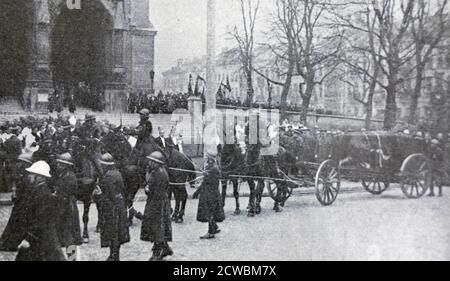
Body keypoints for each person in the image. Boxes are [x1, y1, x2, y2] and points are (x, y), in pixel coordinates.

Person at [16, 161, 66, 261]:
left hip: (42, 237)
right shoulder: (39, 190)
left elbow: (40, 219)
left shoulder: (42, 193)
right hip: (42, 238)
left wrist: (27, 239)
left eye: (32, 174)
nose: (29, 176)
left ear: (40, 177)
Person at [97, 153, 130, 261]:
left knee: (113, 232)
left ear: (106, 165)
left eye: (102, 164)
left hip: (112, 208)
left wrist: (98, 195)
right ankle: (114, 254)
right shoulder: (117, 173)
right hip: (119, 206)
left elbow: (109, 195)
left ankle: (114, 255)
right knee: (117, 232)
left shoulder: (108, 176)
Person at [140, 151, 173, 261]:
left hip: (157, 203)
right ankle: (166, 248)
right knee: (160, 225)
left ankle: (157, 253)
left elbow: (154, 190)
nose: (149, 163)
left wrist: (148, 189)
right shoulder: (158, 171)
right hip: (158, 202)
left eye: (152, 161)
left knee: (157, 226)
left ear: (156, 163)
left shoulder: (159, 174)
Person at [0, 153, 33, 251]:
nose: (19, 165)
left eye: (21, 163)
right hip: (20, 205)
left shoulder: (27, 177)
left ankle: (9, 244)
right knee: (14, 224)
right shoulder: (22, 176)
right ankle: (6, 243)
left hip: (23, 205)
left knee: (17, 225)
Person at [54, 153, 82, 260]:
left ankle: (72, 258)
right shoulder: (64, 175)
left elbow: (66, 193)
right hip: (64, 207)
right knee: (65, 235)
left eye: (61, 164)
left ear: (66, 165)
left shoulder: (69, 177)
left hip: (67, 208)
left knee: (69, 236)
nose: (58, 166)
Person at [195, 152, 225, 239]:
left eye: (207, 159)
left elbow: (208, 182)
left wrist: (198, 190)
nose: (206, 160)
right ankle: (214, 227)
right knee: (212, 211)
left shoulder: (213, 169)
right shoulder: (212, 168)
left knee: (210, 212)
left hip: (210, 194)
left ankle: (211, 232)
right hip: (211, 193)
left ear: (211, 159)